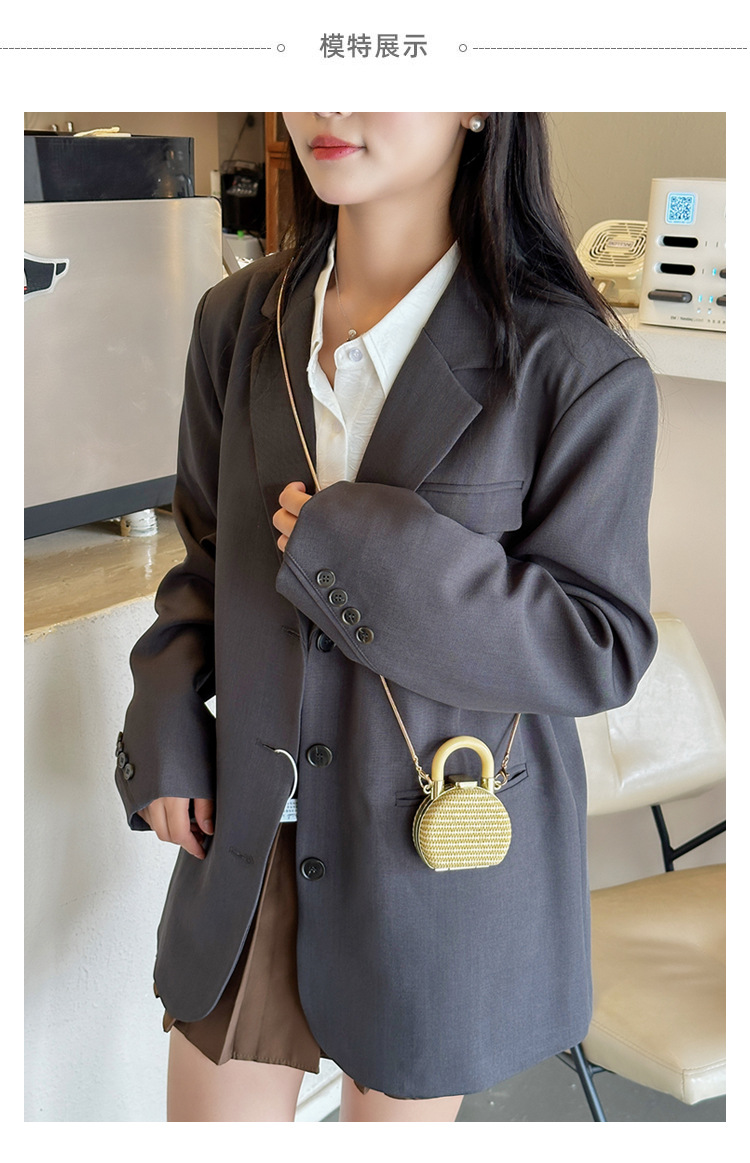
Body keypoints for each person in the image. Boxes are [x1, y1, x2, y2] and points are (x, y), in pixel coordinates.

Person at [114, 113, 659, 1122]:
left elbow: (598, 644)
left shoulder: (573, 364)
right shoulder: (236, 320)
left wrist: (370, 555)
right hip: (253, 835)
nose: (330, 102)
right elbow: (207, 558)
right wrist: (166, 719)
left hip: (433, 858)